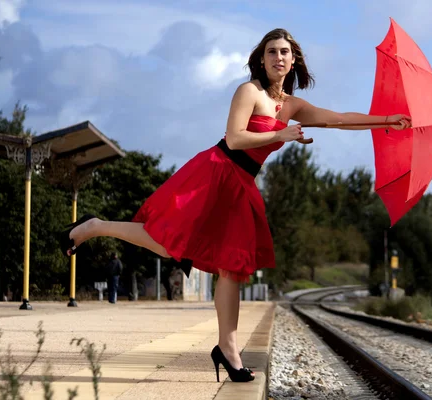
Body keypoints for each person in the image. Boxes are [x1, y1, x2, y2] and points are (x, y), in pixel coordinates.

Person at [59, 28, 411, 382]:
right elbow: (236, 138)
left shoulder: (292, 105)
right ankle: (94, 226)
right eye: (272, 51)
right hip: (215, 173)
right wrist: (280, 134)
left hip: (241, 185)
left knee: (232, 267)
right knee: (168, 246)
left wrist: (387, 121)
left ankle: (228, 349)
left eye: (284, 52)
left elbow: (337, 119)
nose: (278, 58)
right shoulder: (249, 91)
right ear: (261, 58)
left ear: (294, 60)